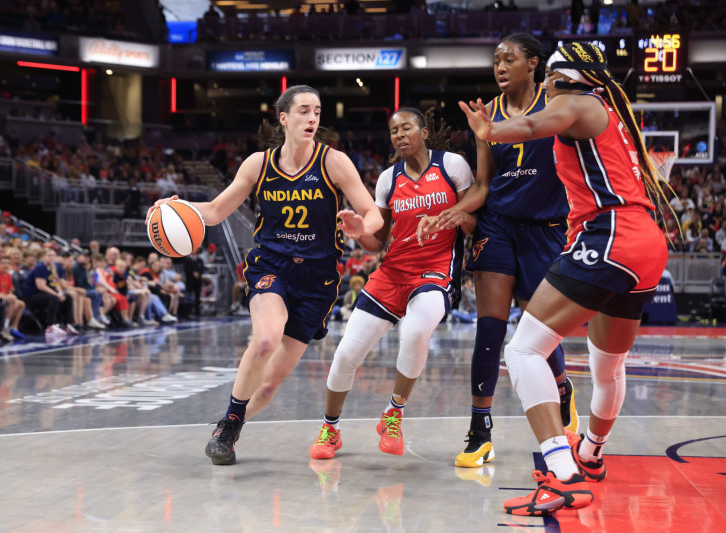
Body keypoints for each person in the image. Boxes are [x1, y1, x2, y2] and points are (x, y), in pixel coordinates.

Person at [459, 41, 670, 516]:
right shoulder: (609, 111)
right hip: (644, 242)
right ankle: (591, 453)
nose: (547, 88)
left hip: (609, 234)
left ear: (558, 75)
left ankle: (563, 474)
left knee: (522, 349)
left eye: (550, 78)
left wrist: (490, 130)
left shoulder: (576, 102)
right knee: (607, 365)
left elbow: (533, 125)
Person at [146, 85, 383, 465]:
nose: (312, 118)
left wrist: (361, 227)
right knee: (265, 340)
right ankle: (228, 428)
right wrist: (177, 206)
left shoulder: (334, 162)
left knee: (270, 386)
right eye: (303, 111)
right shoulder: (258, 164)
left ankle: (230, 424)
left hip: (318, 279)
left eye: (317, 112)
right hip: (271, 265)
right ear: (284, 118)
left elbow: (374, 213)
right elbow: (215, 211)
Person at [418, 33, 578, 469]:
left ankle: (563, 388)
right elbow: (484, 185)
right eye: (496, 60)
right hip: (497, 225)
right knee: (489, 329)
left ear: (534, 64)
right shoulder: (488, 114)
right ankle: (479, 429)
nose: (501, 66)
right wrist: (451, 211)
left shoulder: (559, 102)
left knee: (537, 331)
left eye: (510, 59)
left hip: (545, 229)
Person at [309, 107, 473, 460]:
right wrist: (358, 233)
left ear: (424, 132)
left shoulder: (453, 166)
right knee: (346, 354)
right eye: (394, 130)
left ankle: (394, 413)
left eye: (406, 127)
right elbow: (378, 241)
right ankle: (330, 429)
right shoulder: (388, 179)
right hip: (392, 271)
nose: (399, 135)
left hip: (436, 270)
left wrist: (453, 216)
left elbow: (475, 215)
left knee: (415, 332)